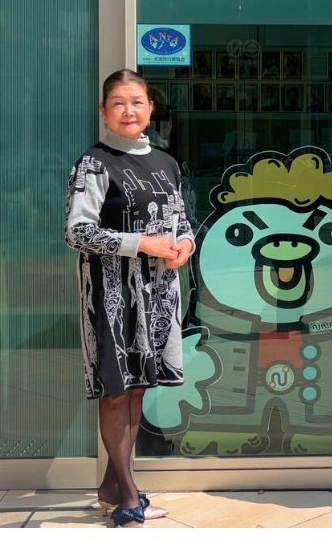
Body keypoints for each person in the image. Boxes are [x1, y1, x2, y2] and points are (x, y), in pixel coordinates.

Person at [65, 69, 195, 528]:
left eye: (137, 102)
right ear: (104, 111)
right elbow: (77, 231)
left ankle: (112, 487)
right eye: (118, 103)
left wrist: (185, 245)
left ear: (150, 109)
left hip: (156, 294)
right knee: (117, 391)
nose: (128, 111)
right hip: (112, 295)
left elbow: (181, 220)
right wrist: (142, 244)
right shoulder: (94, 163)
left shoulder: (165, 162)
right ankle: (128, 497)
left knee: (137, 389)